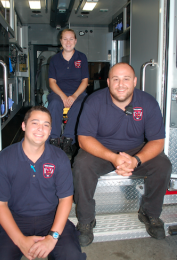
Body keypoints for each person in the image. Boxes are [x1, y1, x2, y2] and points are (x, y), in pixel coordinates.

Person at [73, 63, 172, 247]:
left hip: (135, 150)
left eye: (126, 79)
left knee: (163, 164)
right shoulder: (94, 101)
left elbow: (157, 141)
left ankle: (150, 213)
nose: (121, 84)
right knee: (81, 164)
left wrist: (137, 160)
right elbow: (84, 139)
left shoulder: (148, 102)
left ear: (134, 81)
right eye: (116, 79)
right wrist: (113, 157)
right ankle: (86, 220)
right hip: (102, 151)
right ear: (108, 82)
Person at [0, 106, 86, 260]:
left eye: (46, 125)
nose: (40, 128)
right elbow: (0, 204)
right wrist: (20, 241)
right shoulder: (4, 159)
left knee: (71, 256)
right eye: (35, 123)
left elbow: (65, 200)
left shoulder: (59, 158)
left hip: (51, 217)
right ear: (24, 126)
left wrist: (52, 237)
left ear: (50, 131)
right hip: (16, 218)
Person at [47, 29, 89, 158]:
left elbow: (85, 81)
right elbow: (52, 82)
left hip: (78, 92)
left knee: (80, 104)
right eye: (65, 39)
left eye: (71, 39)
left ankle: (68, 140)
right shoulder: (54, 59)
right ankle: (54, 140)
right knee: (54, 103)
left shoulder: (82, 57)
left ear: (75, 41)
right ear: (60, 41)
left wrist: (74, 96)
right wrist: (64, 96)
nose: (68, 42)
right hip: (58, 92)